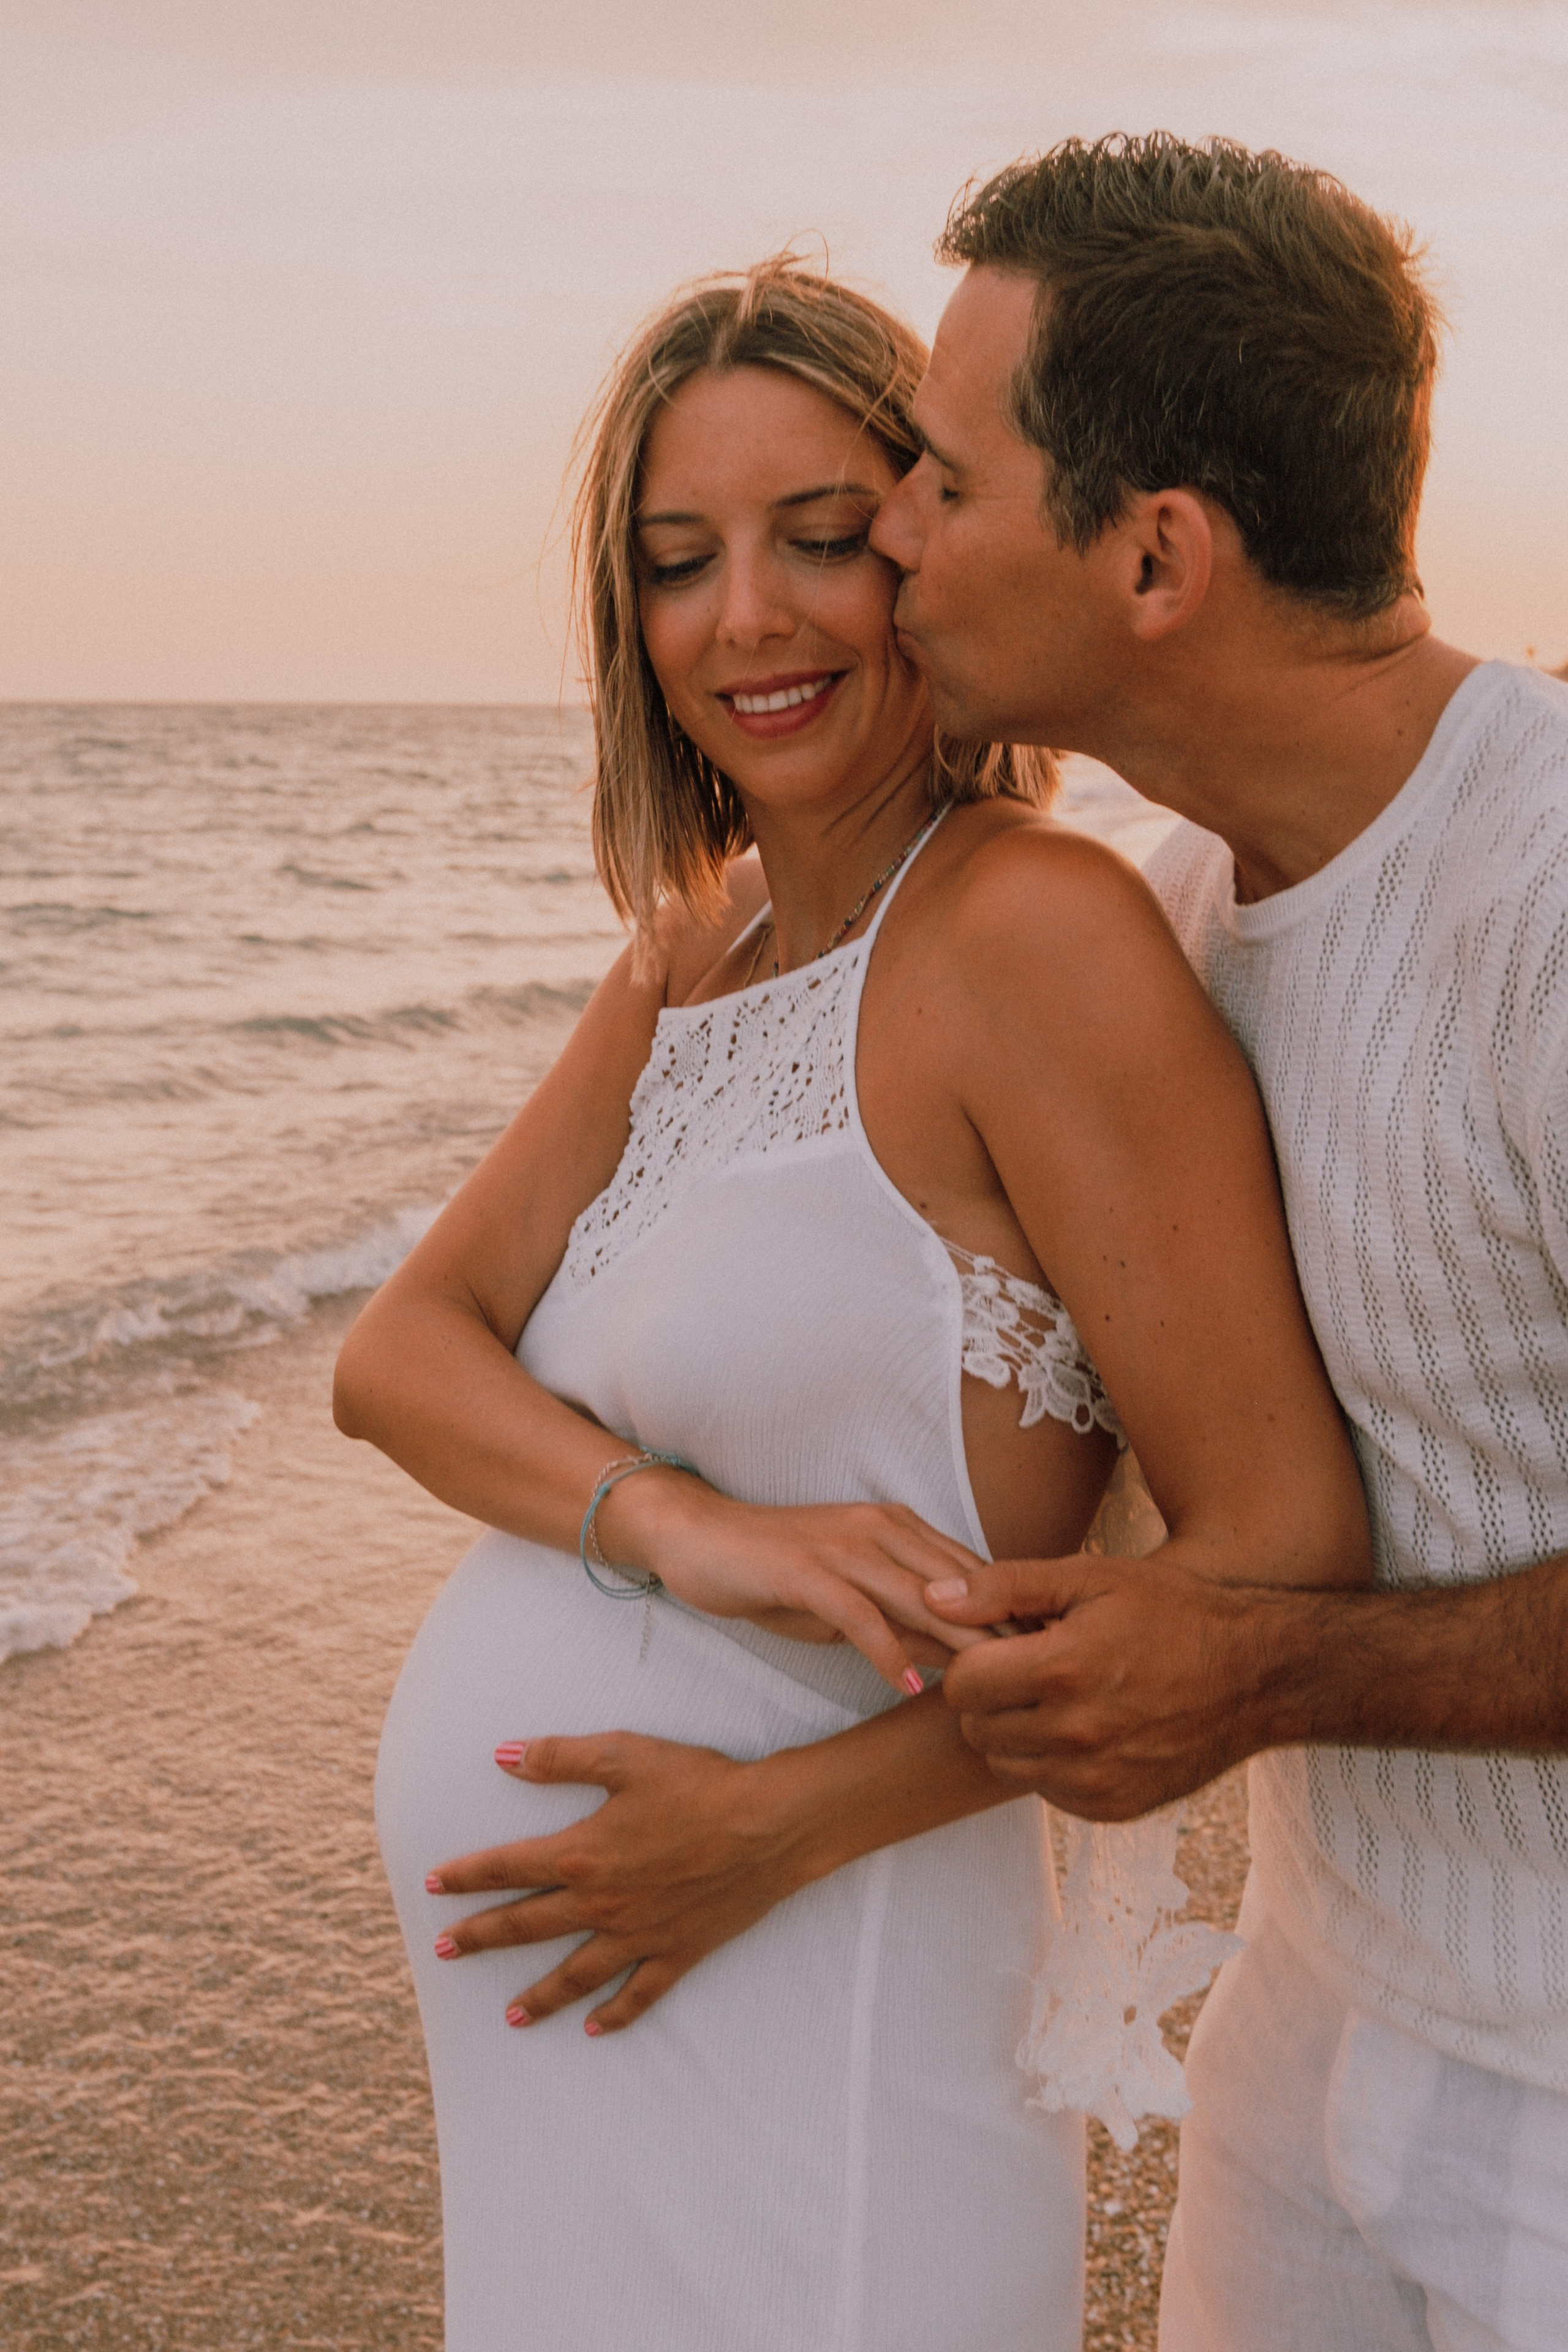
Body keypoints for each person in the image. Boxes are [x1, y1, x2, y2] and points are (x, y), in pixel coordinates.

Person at [333, 257, 1368, 2351]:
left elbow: (1280, 1550)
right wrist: (687, 1526)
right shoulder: (692, 952)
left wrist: (769, 1832)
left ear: (929, 550)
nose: (750, 618)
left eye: (821, 537)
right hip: (591, 2077)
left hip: (827, 2022)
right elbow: (398, 1359)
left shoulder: (1032, 935)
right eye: (678, 560)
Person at [877, 137, 1568, 2352]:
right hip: (1307, 2018)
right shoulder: (1171, 924)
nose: (895, 532)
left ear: (1157, 554)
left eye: (946, 481)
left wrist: (1273, 1675)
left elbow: (1254, 1638)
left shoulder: (1546, 905)